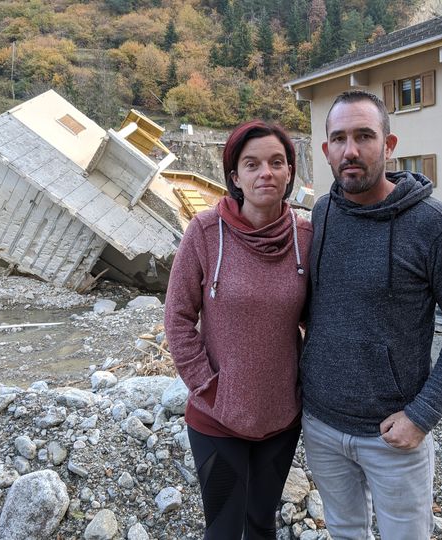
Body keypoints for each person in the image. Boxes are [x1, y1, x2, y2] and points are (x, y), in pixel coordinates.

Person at [300, 90, 442, 540]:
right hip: (321, 425)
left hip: (392, 435)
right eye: (339, 138)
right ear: (325, 151)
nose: (351, 150)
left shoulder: (434, 224)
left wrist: (421, 416)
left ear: (388, 145)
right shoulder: (323, 212)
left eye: (364, 136)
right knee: (345, 532)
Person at [164, 120, 312, 540]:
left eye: (276, 162)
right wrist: (206, 385)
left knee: (263, 525)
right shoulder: (205, 233)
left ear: (289, 173)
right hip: (216, 418)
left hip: (282, 418)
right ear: (235, 176)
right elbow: (177, 316)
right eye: (252, 164)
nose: (265, 172)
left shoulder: (306, 236)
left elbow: (317, 319)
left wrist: (305, 384)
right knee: (224, 530)